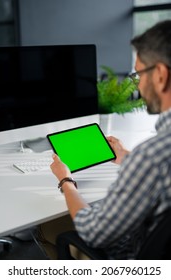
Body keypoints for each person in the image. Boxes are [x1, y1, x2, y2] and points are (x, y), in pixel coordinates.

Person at [37, 20, 171, 259]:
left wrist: (65, 180)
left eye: (139, 72)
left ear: (160, 74)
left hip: (131, 258)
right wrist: (127, 157)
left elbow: (93, 232)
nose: (137, 83)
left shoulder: (152, 156)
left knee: (48, 227)